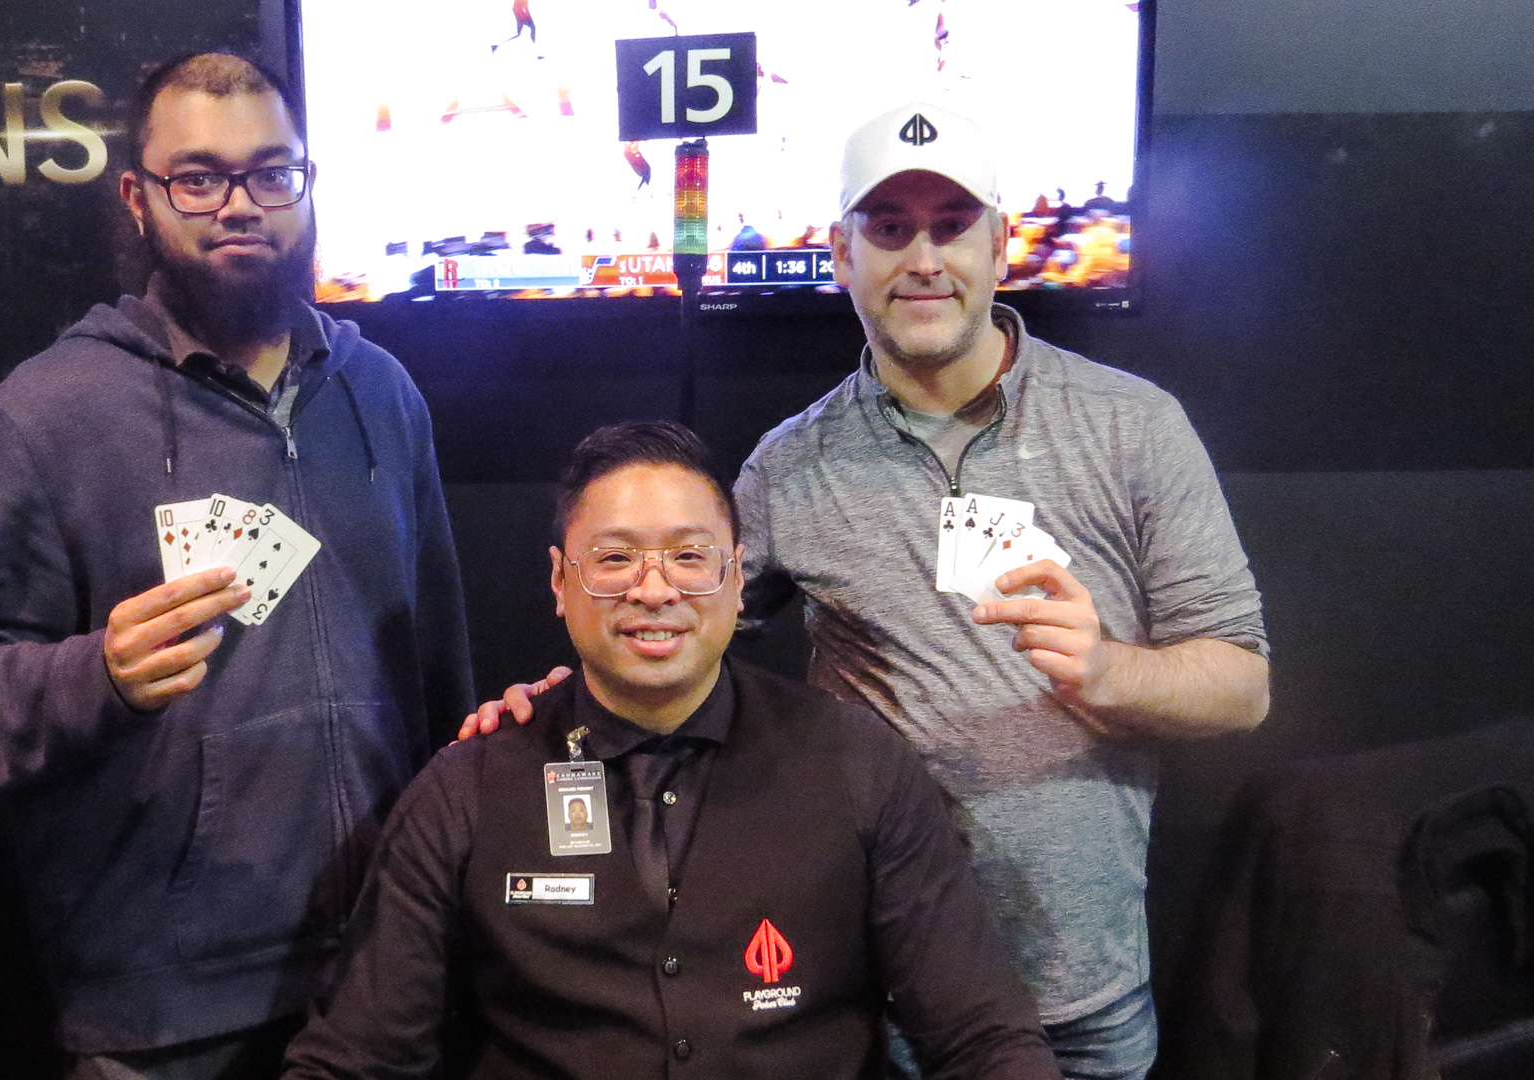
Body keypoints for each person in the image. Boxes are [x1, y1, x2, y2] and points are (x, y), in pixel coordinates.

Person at [465, 103, 1270, 1079]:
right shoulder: (789, 465)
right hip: (873, 1004)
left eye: (951, 225)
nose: (922, 258)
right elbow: (674, 622)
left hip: (1082, 999)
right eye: (889, 228)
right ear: (842, 255)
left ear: (1000, 246)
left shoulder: (1135, 428)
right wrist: (560, 706)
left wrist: (1107, 672)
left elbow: (1242, 687)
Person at [0, 52, 473, 1079]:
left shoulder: (381, 393)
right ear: (138, 198)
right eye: (199, 177)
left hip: (385, 984)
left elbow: (439, 683)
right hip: (160, 1021)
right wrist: (96, 676)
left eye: (271, 172)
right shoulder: (48, 413)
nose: (240, 204)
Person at [283, 421, 1060, 1080]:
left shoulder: (859, 765)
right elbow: (353, 1060)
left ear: (736, 578)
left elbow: (981, 1036)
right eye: (614, 559)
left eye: (689, 557)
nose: (654, 590)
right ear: (560, 582)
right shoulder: (469, 788)